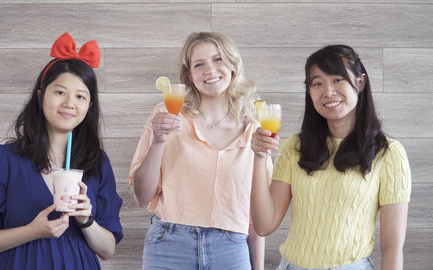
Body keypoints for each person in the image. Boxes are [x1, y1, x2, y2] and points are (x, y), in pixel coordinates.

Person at [0, 32, 123, 270]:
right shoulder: (3, 160)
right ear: (40, 96)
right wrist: (31, 232)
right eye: (59, 92)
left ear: (89, 106)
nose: (69, 103)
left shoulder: (96, 162)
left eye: (80, 96)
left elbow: (107, 250)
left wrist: (86, 220)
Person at [250, 44, 411, 270]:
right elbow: (264, 225)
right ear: (309, 92)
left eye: (338, 79)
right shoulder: (294, 147)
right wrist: (258, 157)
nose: (328, 91)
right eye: (317, 83)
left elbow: (392, 246)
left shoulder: (389, 153)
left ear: (360, 82)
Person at [129, 31, 273, 270]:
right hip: (168, 247)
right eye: (199, 64)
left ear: (233, 65)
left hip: (231, 250)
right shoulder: (166, 116)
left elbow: (256, 219)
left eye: (218, 59)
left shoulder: (255, 133)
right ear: (190, 75)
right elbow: (142, 197)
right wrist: (158, 141)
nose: (210, 69)